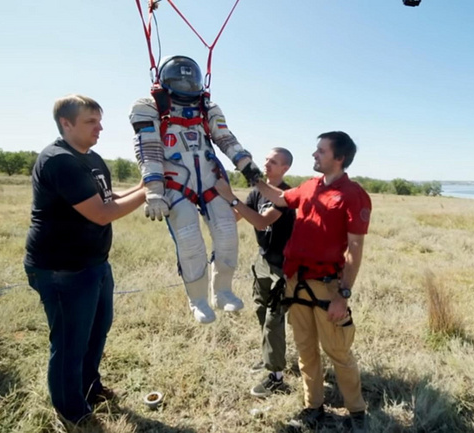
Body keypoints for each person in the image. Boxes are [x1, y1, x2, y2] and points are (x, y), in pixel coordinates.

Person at [24, 94, 147, 424]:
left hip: (94, 264)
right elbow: (102, 213)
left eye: (100, 120)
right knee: (69, 342)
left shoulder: (90, 157)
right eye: (91, 121)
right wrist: (151, 193)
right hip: (61, 269)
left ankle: (89, 387)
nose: (100, 128)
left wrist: (146, 181)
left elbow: (110, 196)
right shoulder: (59, 161)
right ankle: (72, 411)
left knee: (97, 330)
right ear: (66, 123)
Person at [129, 55, 262, 324]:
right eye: (180, 78)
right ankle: (198, 299)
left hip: (210, 177)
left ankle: (223, 292)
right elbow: (149, 149)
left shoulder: (208, 107)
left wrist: (247, 165)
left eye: (190, 78)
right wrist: (154, 190)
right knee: (189, 239)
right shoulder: (149, 106)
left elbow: (225, 137)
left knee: (227, 234)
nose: (186, 83)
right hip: (176, 181)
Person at [254, 131, 372, 431]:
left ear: (339, 157)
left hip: (327, 286)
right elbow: (281, 198)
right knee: (306, 351)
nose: (314, 155)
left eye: (321, 151)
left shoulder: (353, 194)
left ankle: (357, 413)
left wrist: (342, 295)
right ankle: (313, 406)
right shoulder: (309, 186)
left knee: (338, 352)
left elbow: (355, 248)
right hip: (295, 283)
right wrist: (252, 177)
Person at [215, 148, 295, 398]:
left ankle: (277, 378)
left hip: (282, 267)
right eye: (267, 160)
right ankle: (268, 357)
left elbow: (261, 222)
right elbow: (236, 216)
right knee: (261, 311)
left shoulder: (286, 195)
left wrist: (232, 198)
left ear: (285, 168)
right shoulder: (256, 193)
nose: (267, 164)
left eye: (274, 162)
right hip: (262, 262)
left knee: (273, 319)